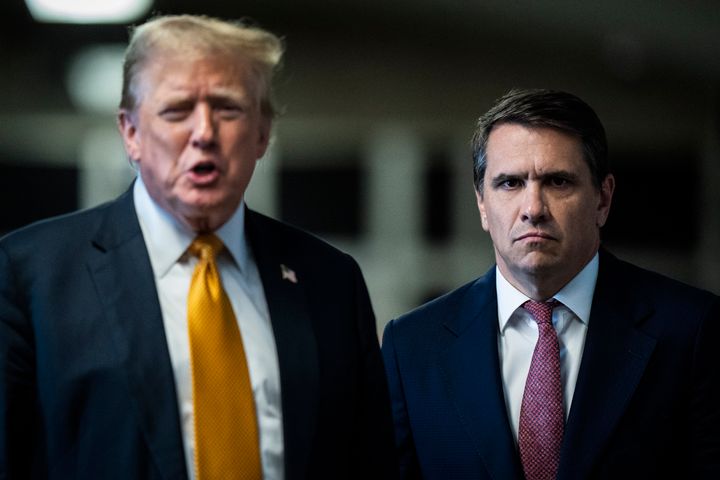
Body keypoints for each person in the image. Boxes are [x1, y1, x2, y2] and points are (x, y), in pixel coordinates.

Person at [0, 15, 395, 480]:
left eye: (228, 109)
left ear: (263, 132)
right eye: (177, 110)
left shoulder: (330, 280)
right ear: (130, 132)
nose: (204, 132)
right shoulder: (31, 275)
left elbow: (370, 463)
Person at [381, 88, 720, 479]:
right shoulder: (412, 347)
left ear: (602, 199)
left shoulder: (691, 331)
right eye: (510, 183)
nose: (533, 209)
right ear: (481, 205)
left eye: (558, 182)